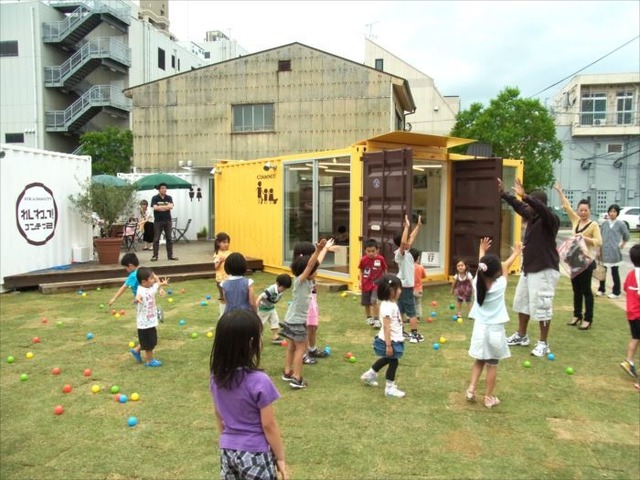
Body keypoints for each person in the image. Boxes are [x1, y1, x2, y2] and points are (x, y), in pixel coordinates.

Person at [209, 310, 288, 480]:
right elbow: (269, 425)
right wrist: (280, 457)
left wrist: (228, 440)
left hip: (227, 451)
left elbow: (218, 414)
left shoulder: (216, 377)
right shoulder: (259, 381)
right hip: (255, 453)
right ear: (251, 342)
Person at [499, 177, 560, 358]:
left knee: (542, 306)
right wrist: (504, 194)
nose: (528, 208)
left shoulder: (550, 219)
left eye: (532, 204)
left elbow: (536, 207)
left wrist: (526, 196)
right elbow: (519, 206)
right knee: (522, 302)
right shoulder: (532, 216)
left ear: (540, 204)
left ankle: (543, 343)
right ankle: (521, 335)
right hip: (529, 268)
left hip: (544, 270)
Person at [466, 237, 522, 409]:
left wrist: (482, 250)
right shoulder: (500, 285)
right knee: (492, 364)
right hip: (495, 331)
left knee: (479, 360)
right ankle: (489, 397)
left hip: (480, 329)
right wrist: (516, 253)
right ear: (496, 272)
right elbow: (505, 266)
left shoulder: (477, 282)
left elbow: (484, 267)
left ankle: (471, 389)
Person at [554, 183, 602, 330]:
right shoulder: (576, 220)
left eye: (585, 210)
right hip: (575, 261)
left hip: (587, 262)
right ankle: (577, 315)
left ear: (589, 211)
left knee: (586, 290)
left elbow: (598, 242)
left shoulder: (593, 225)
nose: (583, 213)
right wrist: (560, 192)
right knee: (576, 290)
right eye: (580, 210)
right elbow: (567, 207)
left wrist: (584, 238)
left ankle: (588, 318)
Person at [281, 238, 327, 389]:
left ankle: (287, 372)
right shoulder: (300, 280)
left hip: (291, 319)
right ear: (307, 271)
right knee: (302, 348)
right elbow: (310, 264)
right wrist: (318, 250)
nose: (316, 272)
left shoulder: (305, 282)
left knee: (291, 347)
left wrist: (322, 251)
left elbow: (313, 264)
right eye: (315, 271)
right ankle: (296, 378)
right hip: (296, 321)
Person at [360, 274, 406, 398]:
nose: (400, 291)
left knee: (387, 359)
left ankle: (369, 374)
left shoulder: (391, 303)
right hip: (390, 340)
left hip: (394, 338)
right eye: (399, 288)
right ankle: (389, 388)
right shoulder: (387, 307)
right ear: (391, 291)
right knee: (393, 361)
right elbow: (386, 327)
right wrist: (389, 345)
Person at [292, 239, 336, 364]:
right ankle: (304, 354)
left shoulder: (309, 267)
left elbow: (317, 262)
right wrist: (320, 250)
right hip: (306, 303)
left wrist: (325, 249)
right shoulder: (303, 272)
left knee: (313, 327)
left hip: (312, 300)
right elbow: (313, 264)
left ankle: (312, 349)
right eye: (312, 254)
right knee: (305, 328)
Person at [393, 214, 425, 343]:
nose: (409, 241)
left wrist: (418, 226)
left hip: (402, 286)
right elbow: (403, 242)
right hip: (406, 287)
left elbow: (410, 238)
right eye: (406, 240)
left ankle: (400, 332)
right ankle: (414, 334)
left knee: (400, 309)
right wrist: (406, 226)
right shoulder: (399, 254)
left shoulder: (407, 252)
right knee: (412, 312)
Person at [134, 267, 169, 367]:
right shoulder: (141, 290)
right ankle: (149, 361)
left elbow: (156, 286)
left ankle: (136, 350)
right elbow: (139, 296)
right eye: (151, 278)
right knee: (149, 343)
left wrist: (163, 284)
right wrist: (138, 299)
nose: (154, 280)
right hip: (144, 324)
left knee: (150, 340)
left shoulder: (150, 287)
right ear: (144, 282)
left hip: (151, 321)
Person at [598, 204, 630, 299]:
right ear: (608, 212)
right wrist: (598, 250)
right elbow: (600, 237)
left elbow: (626, 236)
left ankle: (616, 292)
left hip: (614, 252)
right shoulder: (604, 224)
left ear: (617, 213)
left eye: (614, 211)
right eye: (610, 211)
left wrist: (622, 244)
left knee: (614, 272)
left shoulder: (621, 224)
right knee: (602, 271)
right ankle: (601, 289)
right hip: (604, 250)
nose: (612, 213)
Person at [621, 244, 640, 390]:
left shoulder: (632, 274)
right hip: (639, 314)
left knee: (635, 339)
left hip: (631, 314)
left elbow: (625, 288)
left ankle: (629, 361)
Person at [358, 238, 388, 328]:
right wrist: (360, 282)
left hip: (376, 284)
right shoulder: (363, 260)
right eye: (368, 251)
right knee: (366, 303)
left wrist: (386, 280)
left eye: (373, 251)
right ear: (365, 251)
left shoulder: (380, 259)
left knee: (374, 301)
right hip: (365, 284)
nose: (371, 253)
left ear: (377, 250)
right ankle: (369, 317)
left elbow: (385, 269)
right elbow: (361, 270)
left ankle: (376, 319)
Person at [257, 274, 292, 344]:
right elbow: (260, 297)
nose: (284, 290)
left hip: (271, 308)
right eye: (283, 288)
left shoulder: (280, 290)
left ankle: (275, 337)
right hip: (263, 309)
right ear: (277, 283)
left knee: (275, 320)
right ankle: (256, 337)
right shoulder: (271, 289)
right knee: (260, 324)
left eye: (285, 289)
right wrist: (255, 306)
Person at [150, 183, 178, 262]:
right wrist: (166, 207)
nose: (164, 189)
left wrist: (160, 207)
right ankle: (155, 256)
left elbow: (171, 207)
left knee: (169, 238)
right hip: (158, 221)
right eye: (162, 188)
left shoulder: (169, 198)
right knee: (156, 239)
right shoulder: (155, 198)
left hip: (167, 221)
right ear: (159, 189)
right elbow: (155, 208)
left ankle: (170, 256)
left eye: (165, 188)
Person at [213, 232, 232, 318]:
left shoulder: (230, 253)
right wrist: (220, 262)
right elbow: (215, 267)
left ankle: (229, 313)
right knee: (223, 298)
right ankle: (222, 315)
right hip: (220, 279)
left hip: (229, 279)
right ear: (218, 243)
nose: (226, 244)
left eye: (227, 242)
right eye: (224, 242)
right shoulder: (217, 254)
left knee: (230, 297)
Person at [411, 248, 427, 322]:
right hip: (419, 289)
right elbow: (424, 276)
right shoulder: (420, 267)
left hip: (410, 289)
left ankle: (411, 316)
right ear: (418, 258)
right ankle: (418, 317)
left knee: (411, 304)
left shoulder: (409, 267)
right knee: (418, 303)